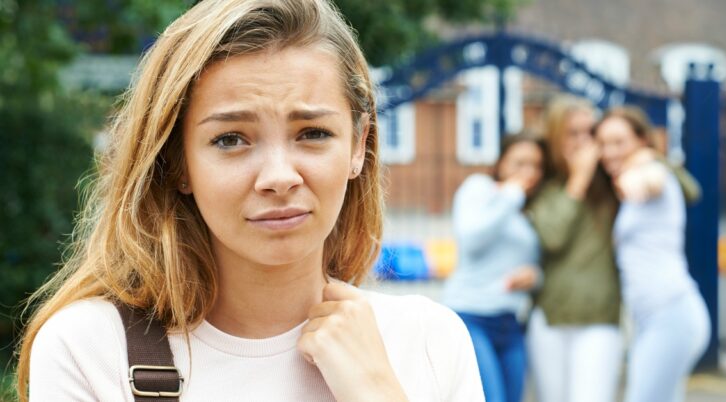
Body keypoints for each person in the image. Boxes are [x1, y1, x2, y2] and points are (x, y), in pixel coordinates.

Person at [15, 1, 483, 401]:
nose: (279, 177)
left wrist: (378, 391)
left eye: (313, 133)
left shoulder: (429, 342)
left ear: (359, 146)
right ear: (178, 162)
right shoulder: (92, 350)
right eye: (231, 139)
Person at [593, 107, 710, 402]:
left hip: (670, 313)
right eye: (603, 143)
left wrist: (640, 170)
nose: (609, 152)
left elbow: (650, 182)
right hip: (651, 320)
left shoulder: (652, 172)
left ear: (642, 140)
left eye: (619, 142)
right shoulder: (630, 180)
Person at [525, 95, 624, 402]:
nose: (583, 142)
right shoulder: (544, 186)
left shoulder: (611, 182)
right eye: (573, 133)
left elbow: (685, 186)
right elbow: (552, 236)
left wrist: (648, 165)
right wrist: (578, 180)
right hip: (551, 318)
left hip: (599, 319)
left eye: (589, 132)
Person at [443, 133, 546, 402]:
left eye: (536, 166)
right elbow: (471, 239)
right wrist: (511, 194)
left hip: (510, 323)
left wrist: (535, 277)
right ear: (501, 163)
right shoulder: (480, 189)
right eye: (520, 163)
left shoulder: (527, 210)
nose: (529, 173)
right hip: (471, 317)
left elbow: (533, 264)